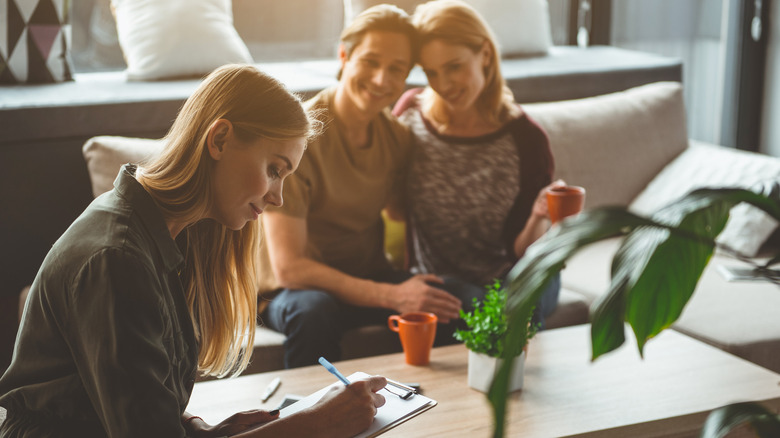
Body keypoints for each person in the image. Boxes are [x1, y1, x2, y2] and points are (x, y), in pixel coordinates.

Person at [0, 64, 387, 438]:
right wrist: (314, 425)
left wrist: (194, 426)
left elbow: (129, 394)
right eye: (274, 169)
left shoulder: (164, 232)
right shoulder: (117, 258)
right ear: (219, 139)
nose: (278, 197)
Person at [260, 4, 485, 369]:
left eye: (396, 69)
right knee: (314, 311)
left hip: (368, 278)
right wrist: (393, 295)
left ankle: (449, 411)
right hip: (293, 292)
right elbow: (289, 268)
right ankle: (313, 420)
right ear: (344, 55)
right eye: (370, 61)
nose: (382, 79)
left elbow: (402, 213)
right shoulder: (297, 138)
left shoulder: (396, 137)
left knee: (464, 299)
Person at [391, 0, 561, 326]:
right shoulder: (411, 114)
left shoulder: (526, 139)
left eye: (454, 66)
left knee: (518, 303)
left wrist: (540, 215)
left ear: (484, 53)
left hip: (513, 273)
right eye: (431, 72)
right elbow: (393, 206)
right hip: (444, 280)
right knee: (463, 297)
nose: (443, 85)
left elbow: (521, 250)